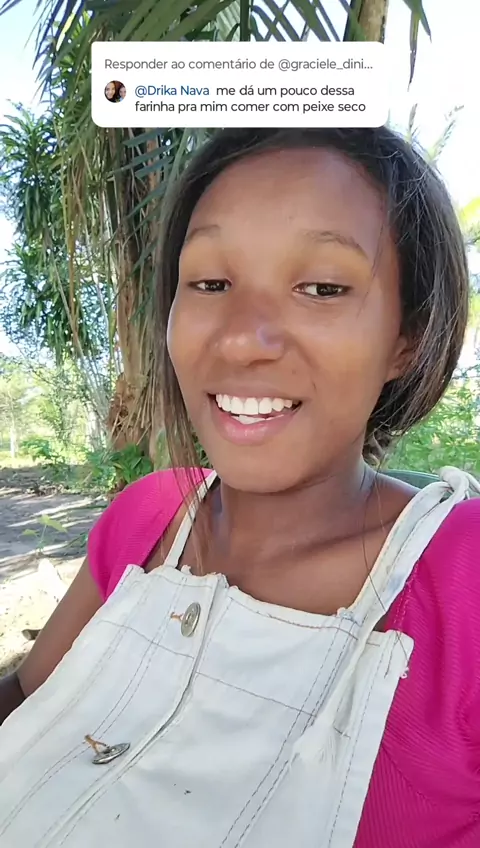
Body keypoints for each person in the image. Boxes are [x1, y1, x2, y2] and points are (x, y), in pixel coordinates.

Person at [0, 127, 479, 847]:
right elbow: (26, 696)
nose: (240, 338)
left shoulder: (465, 575)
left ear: (405, 338)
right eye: (211, 284)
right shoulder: (150, 515)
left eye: (322, 288)